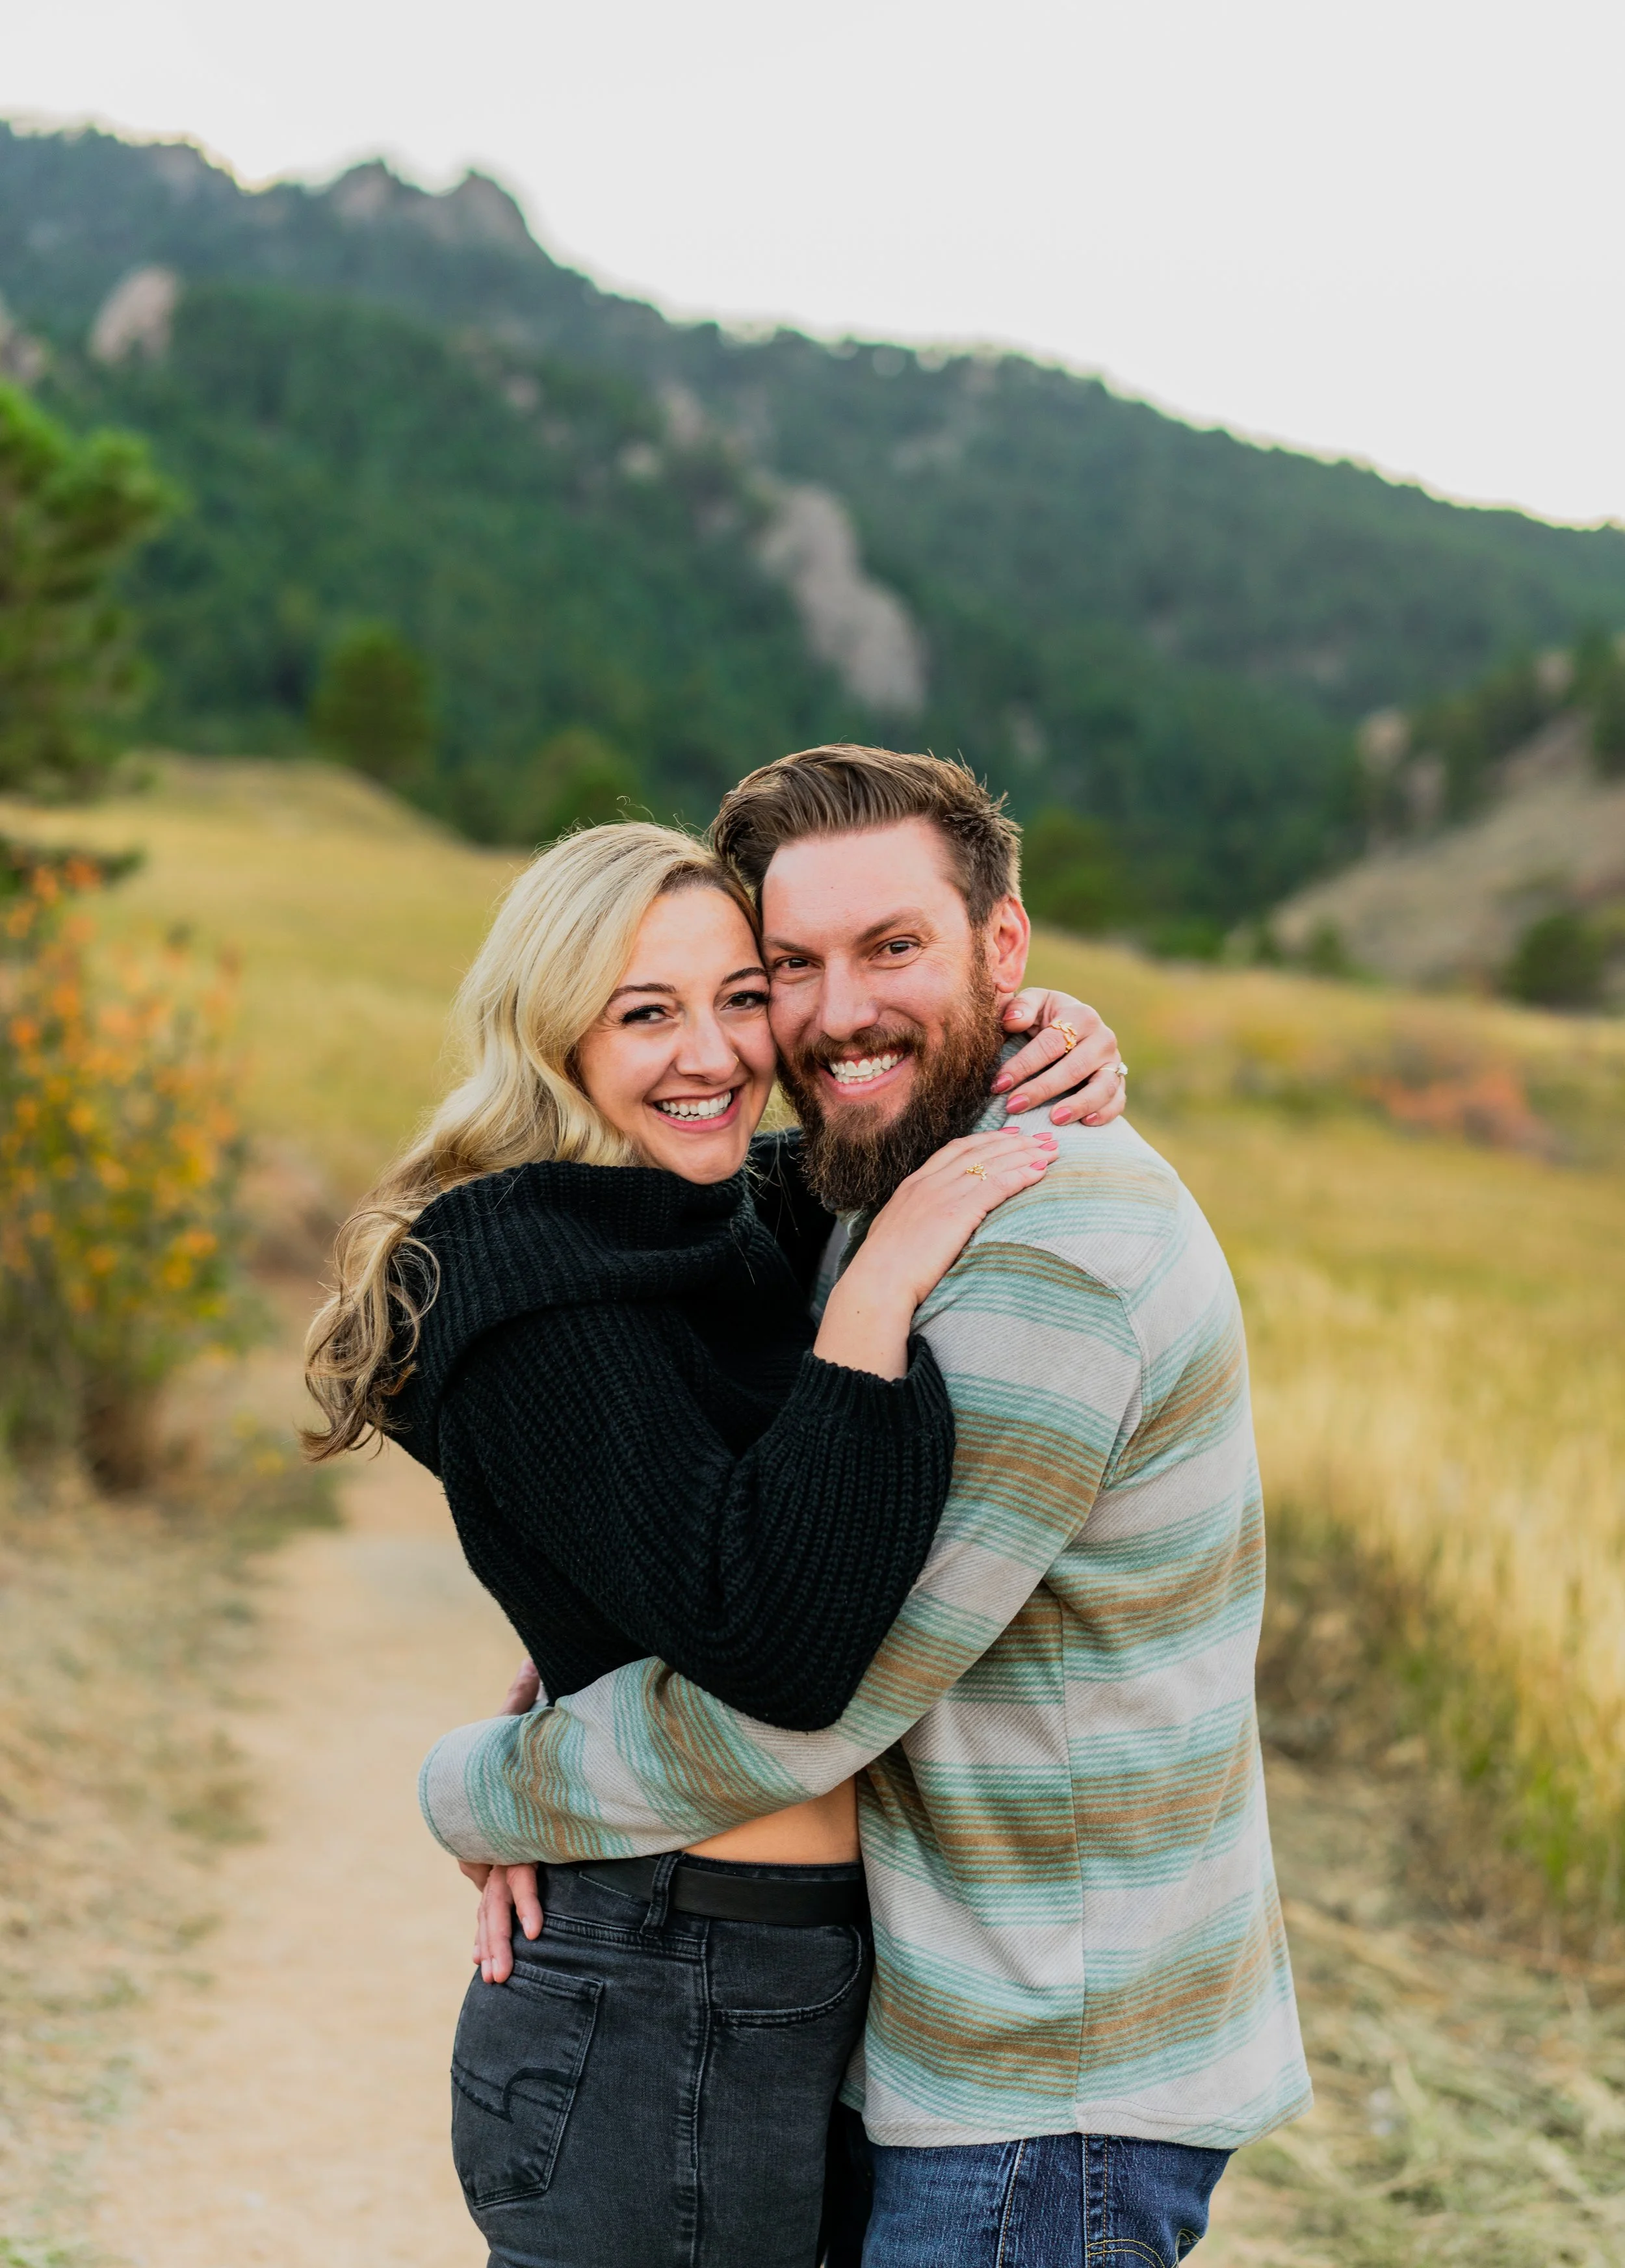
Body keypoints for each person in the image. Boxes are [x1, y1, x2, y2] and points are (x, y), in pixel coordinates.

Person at [424, 746, 1312, 2267]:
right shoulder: (886, 1177)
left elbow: (812, 1691)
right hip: (961, 2047)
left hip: (1045, 2092)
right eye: (793, 966)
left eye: (892, 947)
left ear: (1004, 945)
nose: (835, 1012)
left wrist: (486, 1787)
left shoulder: (1043, 1256)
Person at [302, 817, 1126, 2267]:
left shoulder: (691, 1218)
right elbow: (776, 1650)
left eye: (741, 997)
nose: (716, 1055)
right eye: (644, 1013)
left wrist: (1032, 1035)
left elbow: (878, 1107)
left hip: (769, 1957)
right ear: (549, 1033)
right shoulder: (535, 1284)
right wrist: (874, 1303)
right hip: (656, 1971)